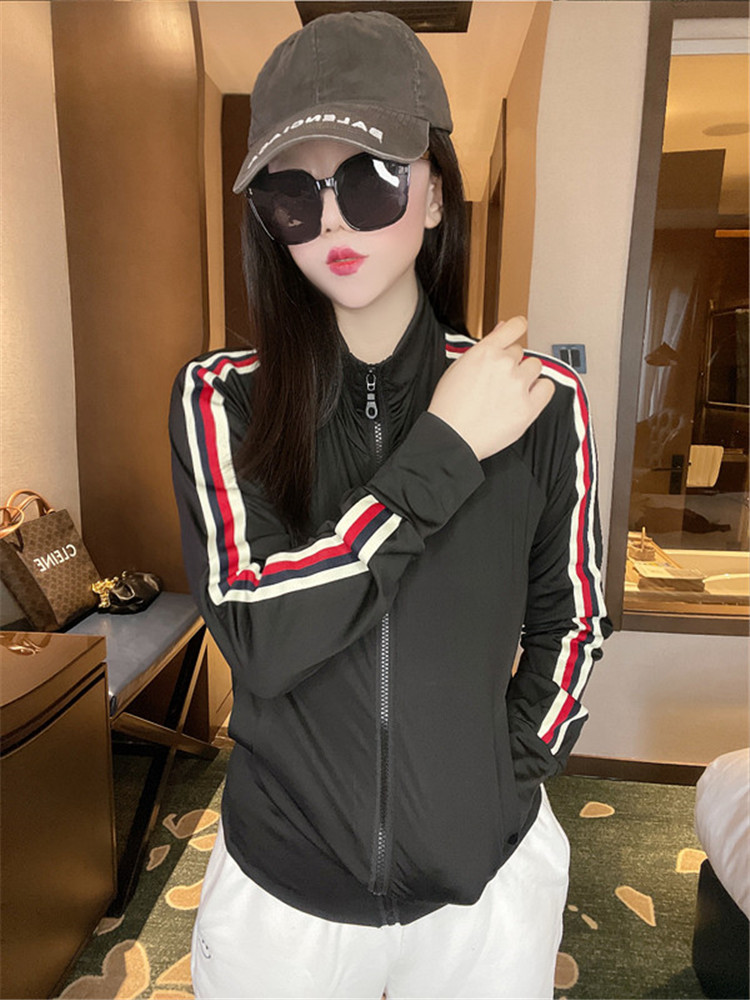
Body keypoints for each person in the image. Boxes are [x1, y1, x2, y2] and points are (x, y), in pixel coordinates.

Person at [169, 11, 611, 999]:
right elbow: (260, 635)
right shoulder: (222, 399)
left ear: (435, 192)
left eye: (370, 179)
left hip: (485, 886)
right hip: (283, 895)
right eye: (292, 191)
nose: (332, 220)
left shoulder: (541, 401)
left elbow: (572, 621)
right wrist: (441, 452)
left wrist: (506, 774)